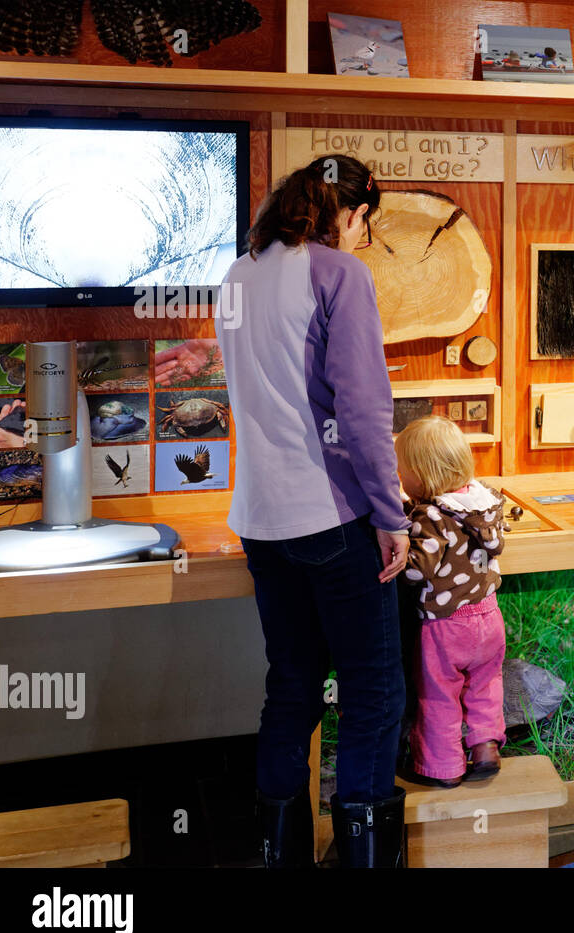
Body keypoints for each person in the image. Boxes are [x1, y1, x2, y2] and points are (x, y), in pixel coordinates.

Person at [215, 154, 411, 867]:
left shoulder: (236, 275)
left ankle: (279, 859)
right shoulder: (339, 272)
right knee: (372, 689)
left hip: (261, 521)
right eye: (366, 224)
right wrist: (392, 516)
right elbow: (363, 411)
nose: (363, 239)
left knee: (291, 684)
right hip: (332, 520)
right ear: (351, 213)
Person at [393, 415, 507, 788]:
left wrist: (397, 556)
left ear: (422, 475)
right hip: (489, 617)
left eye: (401, 470)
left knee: (439, 694)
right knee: (485, 684)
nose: (399, 478)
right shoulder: (483, 504)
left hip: (446, 624)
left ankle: (444, 769)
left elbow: (417, 571)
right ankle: (485, 747)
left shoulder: (430, 516)